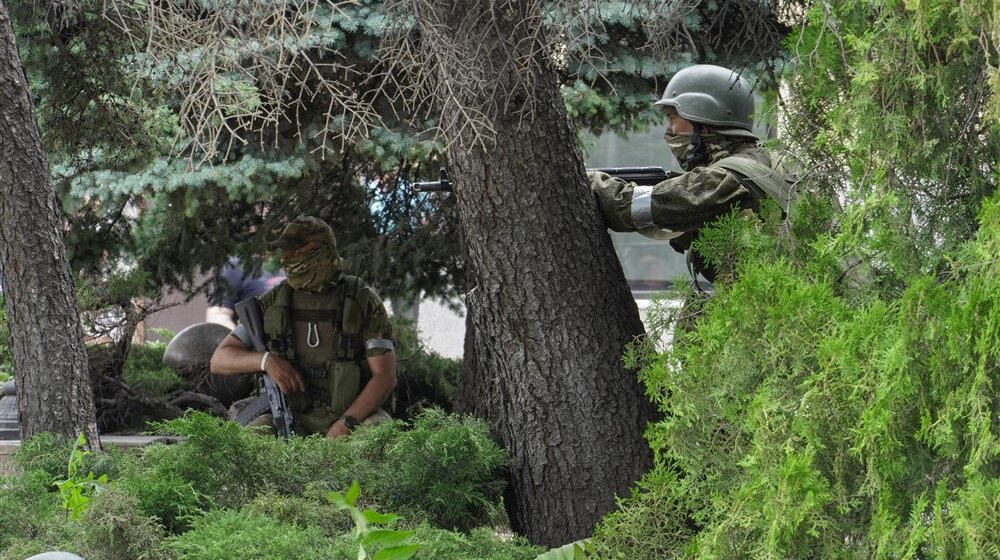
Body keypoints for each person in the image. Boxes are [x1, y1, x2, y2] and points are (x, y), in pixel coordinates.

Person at [590, 64, 791, 283]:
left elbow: (627, 206)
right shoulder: (769, 161)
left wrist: (587, 180)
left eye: (674, 118)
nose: (670, 130)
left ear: (703, 125)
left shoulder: (722, 179)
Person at [209, 215, 397, 438]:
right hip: (289, 415)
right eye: (287, 252)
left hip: (353, 415)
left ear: (325, 251)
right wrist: (266, 361)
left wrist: (346, 424)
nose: (291, 257)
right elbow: (220, 359)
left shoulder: (361, 300)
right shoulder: (273, 302)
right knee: (252, 441)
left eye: (299, 251)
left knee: (378, 436)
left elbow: (385, 376)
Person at [205, 257, 286, 330]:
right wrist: (239, 341)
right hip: (252, 340)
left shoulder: (288, 265)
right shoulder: (235, 266)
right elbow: (218, 315)